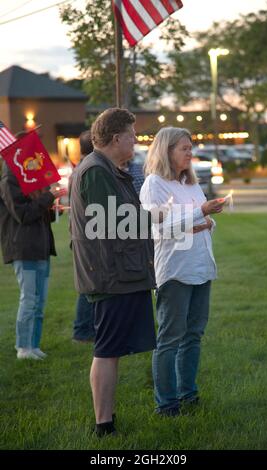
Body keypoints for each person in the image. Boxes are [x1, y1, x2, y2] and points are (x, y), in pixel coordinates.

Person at [70, 108, 156, 437]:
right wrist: (170, 219)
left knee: (112, 349)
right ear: (117, 137)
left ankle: (107, 419)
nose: (136, 141)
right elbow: (114, 223)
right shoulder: (95, 171)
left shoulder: (107, 168)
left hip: (121, 272)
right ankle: (103, 425)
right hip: (111, 275)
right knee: (106, 350)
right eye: (132, 135)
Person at [140, 127, 225, 416]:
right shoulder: (155, 184)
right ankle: (166, 404)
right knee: (170, 338)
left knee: (193, 335)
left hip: (201, 267)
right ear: (166, 151)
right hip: (175, 271)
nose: (190, 152)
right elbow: (161, 227)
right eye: (184, 148)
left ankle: (188, 394)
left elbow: (199, 220)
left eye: (191, 147)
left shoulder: (190, 184)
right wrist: (201, 212)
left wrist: (209, 219)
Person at [0, 161, 65, 360]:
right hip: (23, 248)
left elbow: (39, 213)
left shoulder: (35, 180)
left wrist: (55, 209)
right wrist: (48, 197)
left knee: (40, 301)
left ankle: (34, 345)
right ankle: (23, 347)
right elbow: (23, 214)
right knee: (29, 299)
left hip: (41, 248)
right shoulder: (8, 182)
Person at [72, 130, 96, 343]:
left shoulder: (81, 168)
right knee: (90, 284)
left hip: (83, 234)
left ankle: (86, 327)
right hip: (87, 236)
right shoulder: (89, 169)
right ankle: (82, 329)